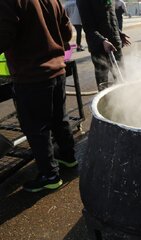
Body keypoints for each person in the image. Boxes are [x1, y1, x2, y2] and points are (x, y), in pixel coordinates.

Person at [0, 0, 77, 192]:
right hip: (58, 71)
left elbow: (3, 37)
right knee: (60, 118)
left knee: (36, 127)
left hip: (31, 76)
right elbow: (67, 33)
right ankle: (68, 157)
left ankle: (49, 175)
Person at [77, 0, 131, 91]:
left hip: (115, 44)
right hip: (99, 48)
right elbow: (88, 27)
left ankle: (124, 101)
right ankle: (104, 102)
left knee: (122, 78)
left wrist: (119, 33)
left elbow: (112, 19)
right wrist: (102, 41)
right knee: (103, 83)